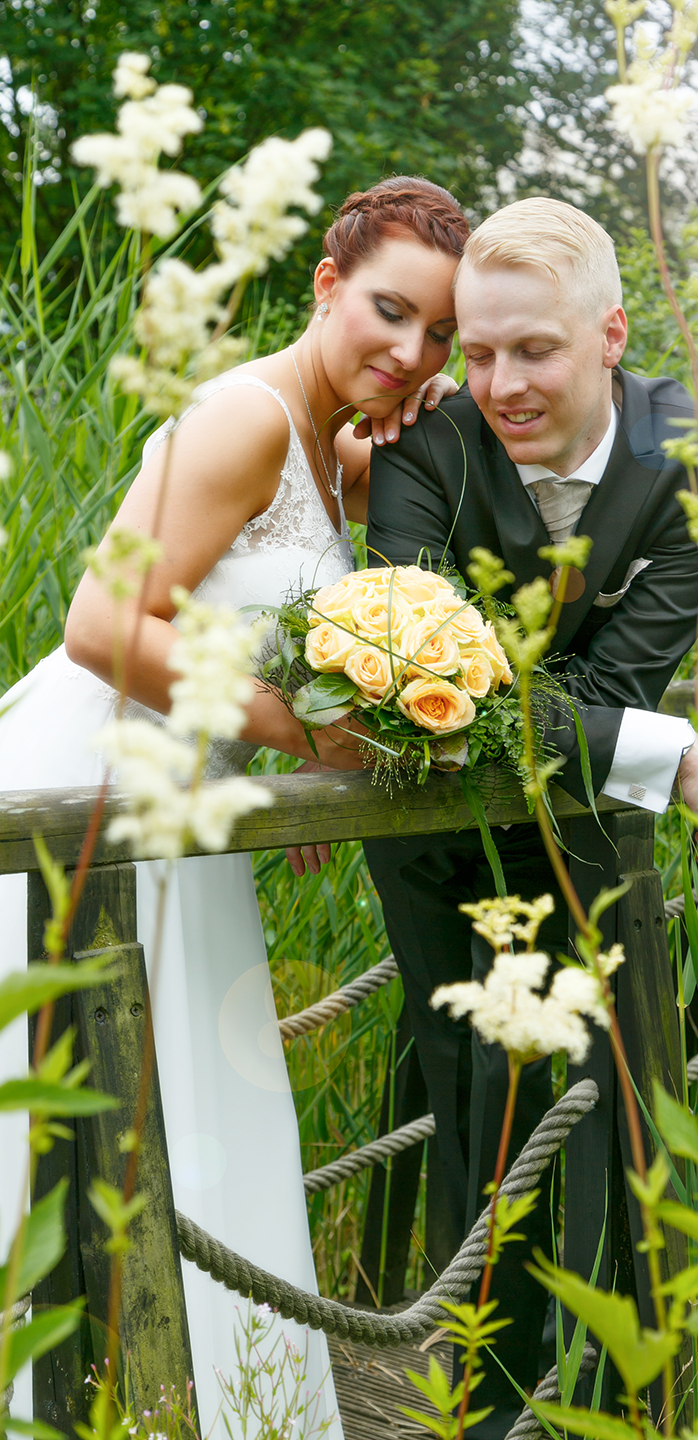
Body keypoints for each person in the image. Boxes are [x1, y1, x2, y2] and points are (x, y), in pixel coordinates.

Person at [0, 176, 468, 1438]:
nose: (408, 350)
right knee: (106, 1106)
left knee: (187, 1108)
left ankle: (188, 1404)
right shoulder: (244, 421)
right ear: (323, 284)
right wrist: (291, 734)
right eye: (388, 311)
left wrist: (442, 409)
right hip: (101, 786)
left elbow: (438, 496)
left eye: (438, 334)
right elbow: (100, 624)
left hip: (185, 788)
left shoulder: (331, 443)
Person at [361, 196, 698, 1437]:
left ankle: (639, 1392)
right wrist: (656, 748)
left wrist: (629, 727)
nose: (498, 384)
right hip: (438, 839)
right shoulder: (424, 453)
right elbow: (437, 696)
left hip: (592, 829)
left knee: (625, 1083)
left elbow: (617, 683)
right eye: (476, 352)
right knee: (479, 1093)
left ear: (613, 335)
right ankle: (481, 1401)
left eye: (535, 350)